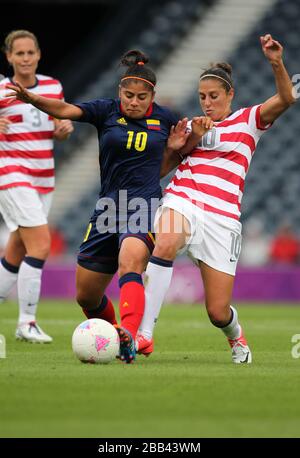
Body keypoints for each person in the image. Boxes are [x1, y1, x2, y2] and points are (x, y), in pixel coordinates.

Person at [5, 49, 212, 362]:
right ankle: (116, 329)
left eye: (141, 97)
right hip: (108, 208)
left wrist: (188, 140)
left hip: (144, 203)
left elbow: (169, 162)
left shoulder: (168, 119)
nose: (133, 102)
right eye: (128, 95)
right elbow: (64, 108)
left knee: (131, 260)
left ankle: (133, 336)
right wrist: (32, 99)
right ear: (120, 92)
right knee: (86, 294)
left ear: (152, 96)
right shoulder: (105, 111)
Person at [136, 34, 296, 363]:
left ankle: (236, 337)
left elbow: (286, 98)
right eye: (201, 97)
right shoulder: (190, 125)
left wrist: (276, 62)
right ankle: (144, 335)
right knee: (165, 243)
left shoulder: (249, 121)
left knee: (218, 311)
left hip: (222, 220)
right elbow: (161, 171)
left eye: (213, 96)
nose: (207, 103)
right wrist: (179, 143)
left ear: (230, 95)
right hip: (183, 200)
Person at [0, 30, 74, 343]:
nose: (26, 59)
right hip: (12, 174)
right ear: (9, 57)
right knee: (41, 244)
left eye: (30, 53)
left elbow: (58, 128)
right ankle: (26, 322)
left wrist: (63, 129)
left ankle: (24, 323)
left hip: (44, 177)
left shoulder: (53, 87)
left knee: (17, 248)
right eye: (20, 54)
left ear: (39, 54)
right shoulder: (2, 89)